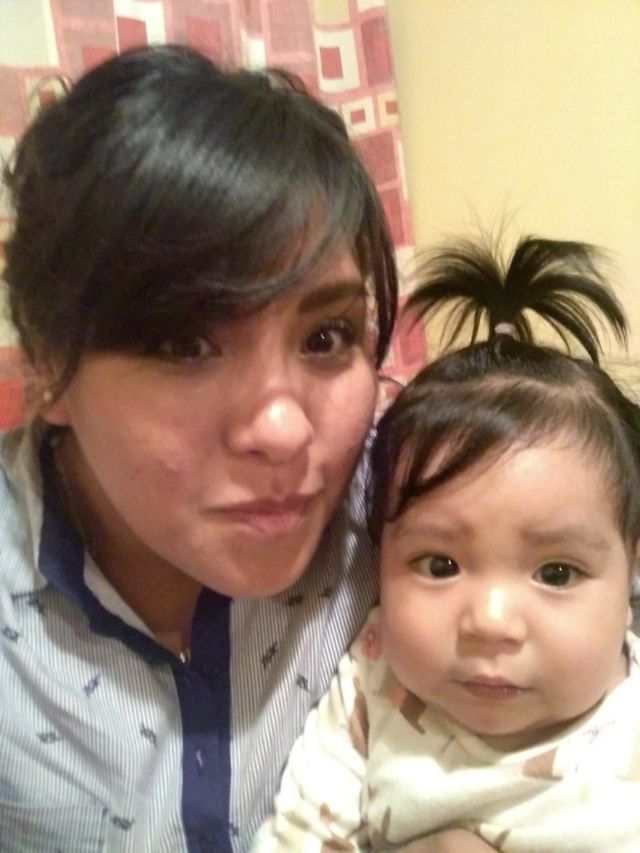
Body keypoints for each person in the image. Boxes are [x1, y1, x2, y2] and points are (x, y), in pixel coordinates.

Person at [0, 44, 489, 853]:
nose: (285, 429)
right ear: (49, 362)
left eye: (328, 336)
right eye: (184, 343)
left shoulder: (420, 508)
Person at [252, 236, 640, 852]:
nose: (491, 623)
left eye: (557, 574)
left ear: (631, 570)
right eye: (440, 565)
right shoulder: (375, 680)